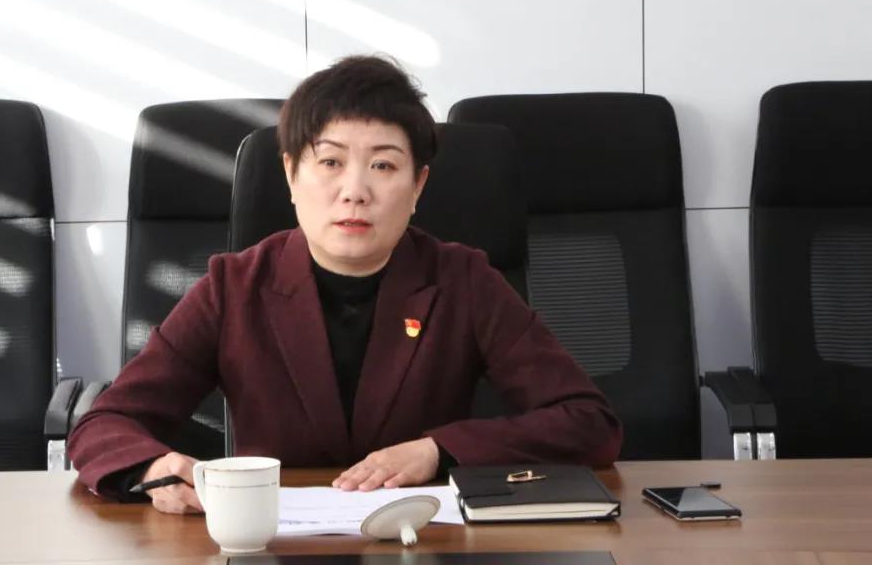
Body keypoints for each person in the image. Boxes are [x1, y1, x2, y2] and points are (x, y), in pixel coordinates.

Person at [68, 55, 622, 515]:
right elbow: (105, 423)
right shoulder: (233, 287)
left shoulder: (463, 281)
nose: (355, 190)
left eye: (383, 166)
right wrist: (152, 467)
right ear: (291, 175)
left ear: (418, 185)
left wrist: (440, 450)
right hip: (273, 546)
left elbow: (589, 423)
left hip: (426, 544)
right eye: (330, 162)